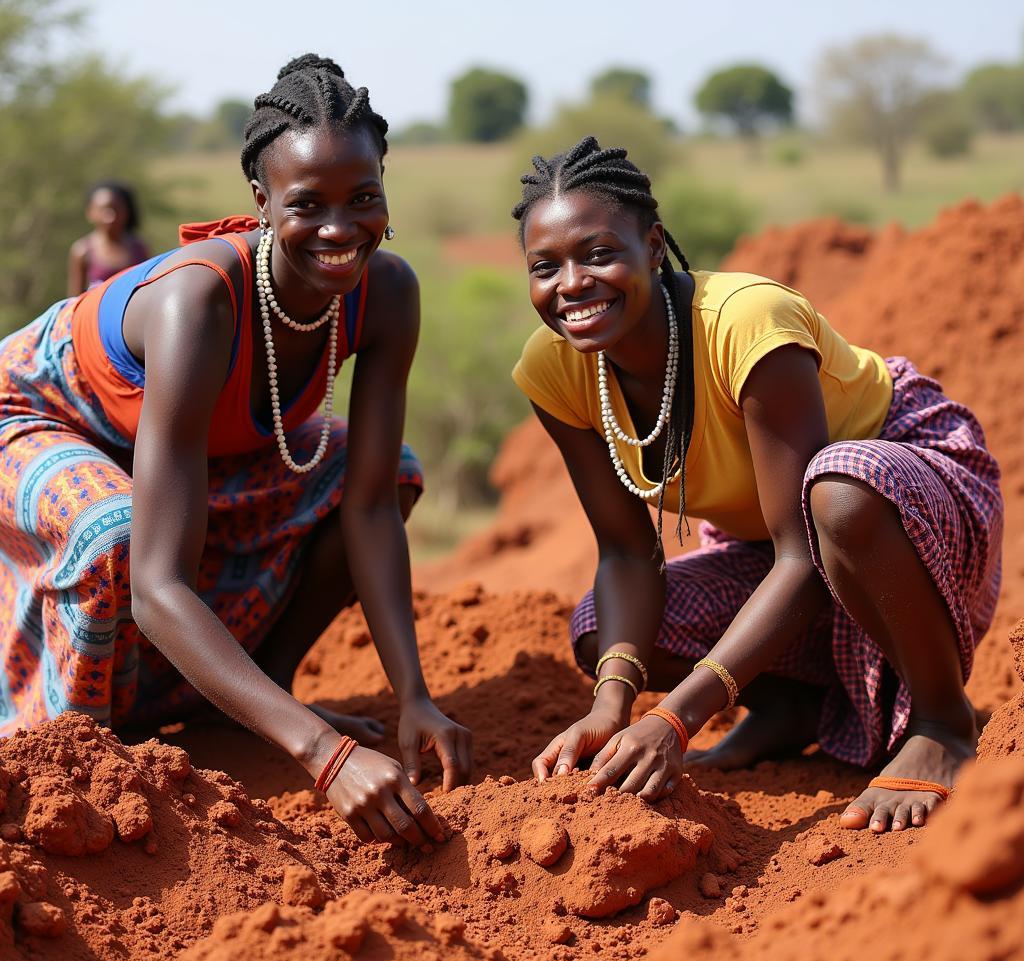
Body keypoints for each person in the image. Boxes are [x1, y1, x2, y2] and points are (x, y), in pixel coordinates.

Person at [0, 55, 471, 846]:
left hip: (176, 441)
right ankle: (74, 764)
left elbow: (366, 505)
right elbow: (156, 584)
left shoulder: (388, 292)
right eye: (306, 204)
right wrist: (324, 754)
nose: (339, 229)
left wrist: (414, 694)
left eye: (363, 199)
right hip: (36, 414)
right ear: (260, 203)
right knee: (113, 533)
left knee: (390, 472)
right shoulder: (200, 302)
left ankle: (245, 702)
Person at [512, 137, 1002, 833]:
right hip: (783, 547)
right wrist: (611, 706)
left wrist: (676, 719)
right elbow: (626, 554)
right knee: (602, 628)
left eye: (597, 254)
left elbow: (803, 551)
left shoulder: (743, 321)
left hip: (905, 500)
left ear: (653, 246)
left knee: (838, 488)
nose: (572, 285)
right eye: (545, 267)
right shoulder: (557, 370)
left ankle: (942, 723)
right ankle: (787, 706)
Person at [68, 181, 150, 294]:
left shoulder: (139, 248)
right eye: (103, 210)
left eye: (116, 209)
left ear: (127, 212)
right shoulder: (82, 251)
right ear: (90, 212)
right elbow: (75, 300)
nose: (110, 217)